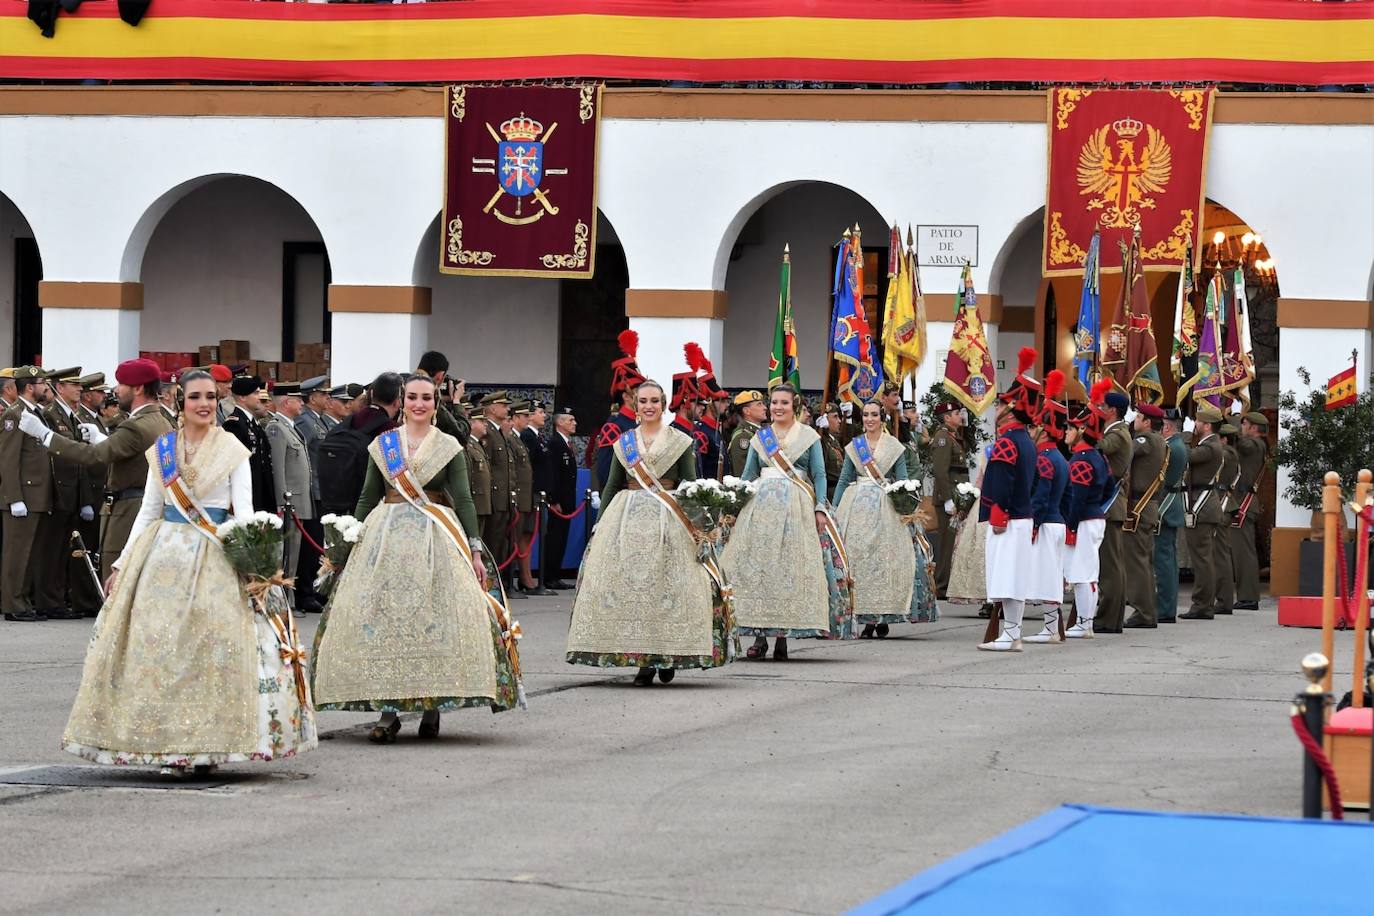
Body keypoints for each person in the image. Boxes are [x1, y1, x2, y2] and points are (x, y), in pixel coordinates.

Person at [61, 369, 316, 775]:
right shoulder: (162, 449)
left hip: (215, 556)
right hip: (162, 557)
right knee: (162, 652)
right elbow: (147, 512)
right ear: (181, 401)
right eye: (196, 397)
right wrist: (123, 564)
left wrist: (254, 566)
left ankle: (208, 745)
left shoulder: (233, 449)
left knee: (209, 653)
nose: (205, 404)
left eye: (211, 397)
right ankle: (168, 746)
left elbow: (244, 512)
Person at [312, 373, 521, 741]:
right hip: (385, 538)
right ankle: (388, 711)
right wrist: (349, 540)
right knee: (386, 623)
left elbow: (465, 499)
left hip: (435, 537)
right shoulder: (384, 445)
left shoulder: (448, 446)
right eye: (412, 397)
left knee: (434, 620)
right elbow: (367, 496)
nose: (419, 404)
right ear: (403, 401)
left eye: (426, 397)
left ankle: (431, 706)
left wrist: (473, 547)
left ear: (435, 402)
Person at [567, 380, 732, 685]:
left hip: (669, 519)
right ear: (635, 404)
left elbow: (689, 484)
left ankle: (667, 655)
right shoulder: (624, 443)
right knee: (634, 592)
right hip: (627, 520)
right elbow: (613, 486)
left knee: (665, 590)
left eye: (654, 400)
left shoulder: (680, 441)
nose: (649, 406)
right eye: (643, 401)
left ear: (664, 403)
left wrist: (699, 525)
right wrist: (601, 524)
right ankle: (643, 661)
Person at [722, 384, 853, 659]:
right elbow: (748, 474)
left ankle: (782, 636)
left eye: (784, 403)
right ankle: (759, 636)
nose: (778, 407)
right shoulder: (761, 438)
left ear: (794, 406)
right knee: (760, 570)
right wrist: (733, 504)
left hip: (797, 507)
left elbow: (818, 475)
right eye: (774, 403)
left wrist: (819, 507)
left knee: (790, 569)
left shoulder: (809, 437)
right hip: (761, 509)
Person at [19, 359, 173, 581]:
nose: (115, 391)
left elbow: (93, 456)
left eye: (121, 384)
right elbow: (127, 452)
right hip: (144, 508)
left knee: (116, 585)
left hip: (128, 512)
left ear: (138, 388)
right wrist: (102, 439)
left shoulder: (135, 425)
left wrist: (44, 435)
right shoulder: (159, 420)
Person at [833, 401, 915, 638]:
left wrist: (904, 504)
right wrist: (834, 508)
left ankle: (881, 616)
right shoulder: (854, 446)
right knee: (860, 560)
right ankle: (866, 617)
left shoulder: (894, 446)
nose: (869, 419)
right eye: (866, 415)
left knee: (883, 561)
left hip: (885, 506)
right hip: (856, 506)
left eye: (874, 415)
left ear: (883, 417)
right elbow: (844, 478)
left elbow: (902, 479)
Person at [977, 348, 1040, 653]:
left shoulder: (1007, 442)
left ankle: (1011, 633)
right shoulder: (1026, 440)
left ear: (1012, 408)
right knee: (1014, 576)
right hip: (1021, 515)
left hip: (1009, 517)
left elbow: (1002, 482)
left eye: (1002, 403)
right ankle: (1011, 631)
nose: (997, 407)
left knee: (1006, 577)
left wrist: (998, 512)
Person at [33, 367, 101, 619]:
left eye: (80, 385)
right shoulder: (51, 414)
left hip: (73, 493)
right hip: (59, 493)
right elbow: (53, 458)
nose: (79, 389)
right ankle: (48, 601)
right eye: (73, 385)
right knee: (50, 550)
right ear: (59, 387)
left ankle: (58, 599)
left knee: (64, 549)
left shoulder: (70, 415)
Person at [1, 367, 55, 621]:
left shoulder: (36, 414)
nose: (47, 388)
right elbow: (8, 459)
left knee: (29, 553)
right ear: (30, 387)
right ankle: (13, 605)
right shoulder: (15, 414)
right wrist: (14, 498)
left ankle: (23, 601)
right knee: (17, 553)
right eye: (43, 383)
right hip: (23, 496)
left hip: (37, 496)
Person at [1062, 380, 1114, 639]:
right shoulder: (1098, 456)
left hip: (1084, 519)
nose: (1065, 432)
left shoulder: (1081, 459)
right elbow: (1109, 489)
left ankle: (1084, 623)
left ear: (1081, 430)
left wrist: (1070, 524)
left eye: (1070, 428)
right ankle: (1085, 622)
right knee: (1088, 572)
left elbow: (1077, 498)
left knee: (1083, 574)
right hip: (1095, 516)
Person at [1024, 371, 1069, 644]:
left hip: (1047, 522)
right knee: (1052, 574)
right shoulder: (1060, 457)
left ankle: (1051, 629)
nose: (1032, 431)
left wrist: (1034, 523)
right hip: (1058, 521)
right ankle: (1052, 628)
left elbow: (1040, 496)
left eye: (1034, 427)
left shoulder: (1044, 458)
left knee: (1048, 576)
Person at [264, 384, 314, 614]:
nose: (302, 403)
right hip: (289, 502)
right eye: (298, 399)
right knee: (287, 554)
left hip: (299, 500)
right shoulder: (276, 429)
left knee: (294, 553)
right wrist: (281, 501)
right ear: (286, 402)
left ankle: (289, 599)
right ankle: (284, 600)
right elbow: (278, 470)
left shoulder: (289, 427)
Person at [1123, 403, 1168, 629]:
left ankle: (1143, 612)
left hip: (1139, 506)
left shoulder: (1147, 440)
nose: (1135, 420)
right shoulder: (1158, 440)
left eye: (1138, 417)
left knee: (1137, 562)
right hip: (1146, 506)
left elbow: (1125, 450)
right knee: (1144, 561)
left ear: (1148, 422)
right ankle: (1148, 611)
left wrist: (1121, 428)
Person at [1180, 405, 1225, 621]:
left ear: (1207, 425)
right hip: (1203, 506)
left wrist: (1186, 433)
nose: (1195, 424)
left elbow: (1186, 455)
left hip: (1203, 508)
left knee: (1202, 559)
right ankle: (1203, 603)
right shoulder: (1210, 444)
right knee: (1203, 558)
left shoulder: (1210, 447)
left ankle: (1203, 605)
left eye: (1198, 422)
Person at [1095, 390, 1134, 634]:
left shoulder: (1118, 434)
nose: (1098, 409)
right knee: (1113, 565)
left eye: (1101, 406)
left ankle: (1108, 619)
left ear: (1111, 410)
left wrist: (1085, 429)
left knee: (1110, 567)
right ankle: (1112, 618)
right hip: (1114, 506)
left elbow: (1101, 447)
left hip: (1111, 505)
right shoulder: (1118, 431)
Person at [294, 376, 331, 613]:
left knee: (317, 543)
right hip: (312, 488)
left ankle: (312, 590)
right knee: (309, 546)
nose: (328, 398)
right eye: (323, 394)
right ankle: (304, 593)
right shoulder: (306, 422)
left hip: (321, 487)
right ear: (313, 397)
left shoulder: (319, 421)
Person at [593, 330, 645, 489]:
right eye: (638, 392)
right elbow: (604, 471)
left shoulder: (640, 423)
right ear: (627, 397)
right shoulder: (614, 426)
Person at [1154, 407, 1190, 623]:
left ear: (1166, 426)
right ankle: (1166, 606)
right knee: (1167, 559)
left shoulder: (1170, 447)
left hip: (1165, 504)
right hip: (1171, 503)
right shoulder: (1178, 445)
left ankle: (1165, 608)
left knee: (1163, 560)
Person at [931, 400, 969, 598]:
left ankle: (947, 582)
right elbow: (940, 470)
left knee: (952, 541)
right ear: (946, 418)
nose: (959, 416)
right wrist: (947, 498)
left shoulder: (953, 436)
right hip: (948, 497)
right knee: (946, 543)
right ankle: (941, 585)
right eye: (956, 413)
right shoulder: (943, 438)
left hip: (955, 495)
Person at [1231, 412, 1270, 610]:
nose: (1241, 426)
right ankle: (1246, 595)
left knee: (1243, 552)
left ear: (1254, 428)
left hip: (1243, 502)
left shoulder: (1256, 444)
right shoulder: (1257, 445)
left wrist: (1226, 422)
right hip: (1241, 500)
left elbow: (1242, 444)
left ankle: (1248, 597)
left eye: (1243, 423)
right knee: (1240, 551)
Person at [221, 376, 276, 513]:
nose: (259, 397)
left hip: (260, 493)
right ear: (242, 397)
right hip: (248, 495)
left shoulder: (252, 423)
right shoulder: (234, 424)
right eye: (256, 393)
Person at [478, 391, 516, 576]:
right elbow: (487, 466)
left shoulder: (498, 432)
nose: (507, 409)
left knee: (500, 545)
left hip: (503, 498)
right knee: (492, 544)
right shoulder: (489, 433)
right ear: (492, 408)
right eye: (503, 405)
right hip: (494, 498)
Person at [545, 407, 579, 589]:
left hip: (567, 499)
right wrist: (554, 499)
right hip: (558, 502)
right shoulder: (555, 443)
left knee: (561, 538)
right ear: (559, 422)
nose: (574, 423)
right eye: (570, 420)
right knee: (554, 539)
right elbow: (553, 474)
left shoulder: (565, 443)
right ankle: (550, 576)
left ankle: (555, 574)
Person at [1213, 422, 1241, 617]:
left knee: (1220, 554)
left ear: (1223, 439)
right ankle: (1222, 598)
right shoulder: (1229, 452)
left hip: (1222, 504)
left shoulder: (1227, 454)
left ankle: (1224, 600)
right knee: (1219, 553)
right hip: (1223, 502)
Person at [416, 350, 470, 442]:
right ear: (440, 376)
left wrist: (444, 399)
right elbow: (461, 434)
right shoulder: (432, 403)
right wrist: (456, 401)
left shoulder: (406, 393)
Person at [466, 413, 494, 543]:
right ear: (471, 424)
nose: (486, 424)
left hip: (482, 503)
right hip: (474, 502)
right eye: (481, 421)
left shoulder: (477, 445)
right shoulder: (467, 445)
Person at [727, 389, 766, 477]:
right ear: (747, 411)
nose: (765, 408)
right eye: (759, 404)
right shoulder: (743, 436)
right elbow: (742, 473)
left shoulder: (761, 431)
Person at [818, 402, 845, 496]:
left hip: (840, 488)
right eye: (835, 417)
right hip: (829, 491)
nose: (839, 421)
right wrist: (819, 430)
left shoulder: (834, 440)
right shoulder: (822, 441)